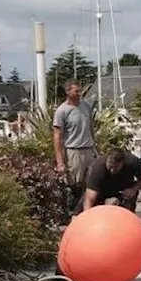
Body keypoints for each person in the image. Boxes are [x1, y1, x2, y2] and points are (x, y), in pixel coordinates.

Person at [52, 80, 96, 212]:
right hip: (73, 151)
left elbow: (91, 128)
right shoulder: (62, 111)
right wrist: (60, 162)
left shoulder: (86, 106)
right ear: (68, 92)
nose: (79, 94)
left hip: (89, 149)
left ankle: (89, 211)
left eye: (80, 91)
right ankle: (73, 213)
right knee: (75, 185)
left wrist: (95, 147)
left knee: (91, 183)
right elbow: (57, 137)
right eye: (76, 91)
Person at [76, 148, 141, 214]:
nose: (112, 170)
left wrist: (134, 189)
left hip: (123, 188)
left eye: (116, 167)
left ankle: (126, 216)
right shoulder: (97, 168)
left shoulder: (132, 162)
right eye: (110, 166)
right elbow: (90, 198)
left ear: (122, 163)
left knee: (127, 201)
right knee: (80, 210)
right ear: (107, 160)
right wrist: (87, 216)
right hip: (102, 188)